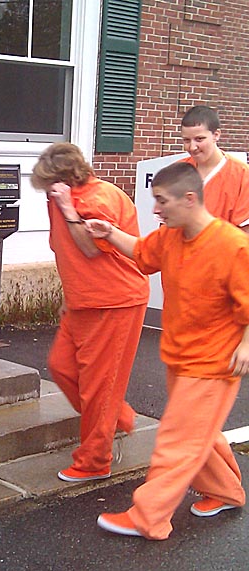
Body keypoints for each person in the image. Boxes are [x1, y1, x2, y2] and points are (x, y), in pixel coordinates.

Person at [86, 161, 249, 540]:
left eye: (162, 201)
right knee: (198, 434)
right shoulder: (172, 237)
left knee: (177, 440)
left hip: (213, 363)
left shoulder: (232, 246)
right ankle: (225, 490)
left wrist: (245, 345)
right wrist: (109, 232)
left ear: (189, 199)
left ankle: (149, 517)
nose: (156, 209)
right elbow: (142, 252)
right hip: (180, 357)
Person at [30, 143, 149, 483]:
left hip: (115, 301)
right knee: (61, 367)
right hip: (83, 302)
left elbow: (90, 249)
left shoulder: (99, 198)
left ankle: (95, 460)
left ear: (64, 180)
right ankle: (118, 416)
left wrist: (68, 208)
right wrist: (69, 297)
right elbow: (68, 255)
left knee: (100, 387)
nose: (46, 192)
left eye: (49, 185)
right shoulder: (58, 202)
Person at [180, 105, 249, 232]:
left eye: (199, 139)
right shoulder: (178, 170)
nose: (192, 147)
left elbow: (244, 235)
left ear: (216, 135)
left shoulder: (242, 175)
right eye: (186, 140)